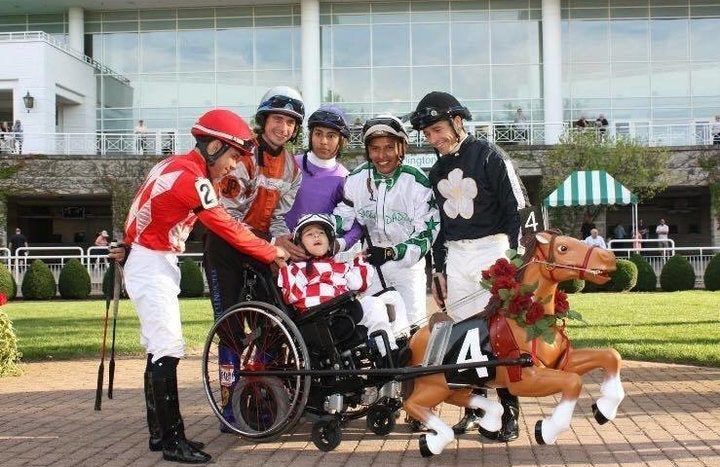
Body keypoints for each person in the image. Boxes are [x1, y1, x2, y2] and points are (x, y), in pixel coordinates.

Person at [110, 109, 289, 464]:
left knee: (157, 347)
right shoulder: (191, 179)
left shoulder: (173, 166)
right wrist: (271, 251)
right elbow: (226, 226)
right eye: (233, 155)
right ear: (212, 147)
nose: (233, 165)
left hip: (151, 258)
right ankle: (174, 441)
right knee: (168, 347)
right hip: (151, 262)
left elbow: (140, 209)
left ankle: (160, 436)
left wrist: (129, 242)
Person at [410, 91, 528, 441]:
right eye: (428, 134)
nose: (433, 139)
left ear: (457, 122)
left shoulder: (491, 156)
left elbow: (517, 209)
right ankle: (476, 409)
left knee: (498, 336)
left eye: (437, 130)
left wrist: (517, 260)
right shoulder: (436, 170)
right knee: (464, 337)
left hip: (493, 249)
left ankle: (509, 413)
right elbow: (439, 228)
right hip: (457, 255)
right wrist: (439, 270)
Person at [203, 86, 305, 434]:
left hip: (260, 247)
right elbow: (226, 213)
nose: (284, 128)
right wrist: (263, 245)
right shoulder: (242, 155)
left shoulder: (292, 167)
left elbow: (279, 215)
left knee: (275, 323)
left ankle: (261, 398)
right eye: (278, 119)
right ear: (264, 120)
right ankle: (230, 407)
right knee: (230, 330)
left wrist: (279, 240)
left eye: (291, 123)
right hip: (226, 248)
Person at [333, 115, 440, 333]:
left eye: (389, 147)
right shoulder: (356, 178)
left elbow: (427, 233)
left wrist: (392, 252)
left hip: (406, 267)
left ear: (401, 148)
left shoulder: (417, 181)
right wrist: (315, 230)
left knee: (413, 330)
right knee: (374, 330)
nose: (381, 156)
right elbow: (342, 217)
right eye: (375, 149)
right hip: (370, 266)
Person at [278, 214, 398, 361]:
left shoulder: (339, 266)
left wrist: (361, 259)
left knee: (375, 303)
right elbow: (292, 296)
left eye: (321, 233)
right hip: (320, 320)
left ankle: (389, 354)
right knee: (356, 305)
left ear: (330, 243)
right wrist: (283, 267)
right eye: (309, 233)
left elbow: (359, 284)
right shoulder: (298, 268)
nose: (316, 235)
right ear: (300, 245)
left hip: (345, 312)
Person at [285, 104, 362, 251]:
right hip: (282, 253)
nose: (323, 141)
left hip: (319, 261)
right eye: (318, 134)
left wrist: (338, 245)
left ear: (343, 141)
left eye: (331, 136)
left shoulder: (345, 178)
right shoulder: (290, 164)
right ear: (310, 135)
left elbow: (358, 224)